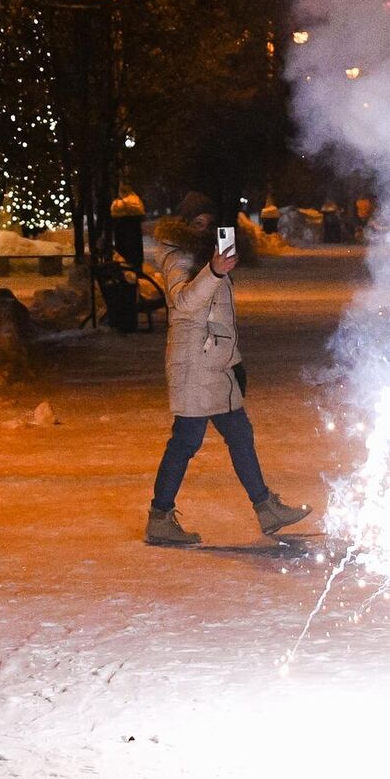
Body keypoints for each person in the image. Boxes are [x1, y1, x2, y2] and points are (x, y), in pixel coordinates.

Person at [144, 191, 312, 545]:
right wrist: (214, 271)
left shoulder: (203, 255)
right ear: (185, 223)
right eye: (198, 222)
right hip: (194, 364)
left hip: (214, 364)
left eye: (209, 222)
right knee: (186, 441)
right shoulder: (178, 255)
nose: (204, 228)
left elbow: (219, 317)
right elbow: (184, 301)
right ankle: (159, 517)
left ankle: (266, 508)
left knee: (239, 433)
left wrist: (234, 362)